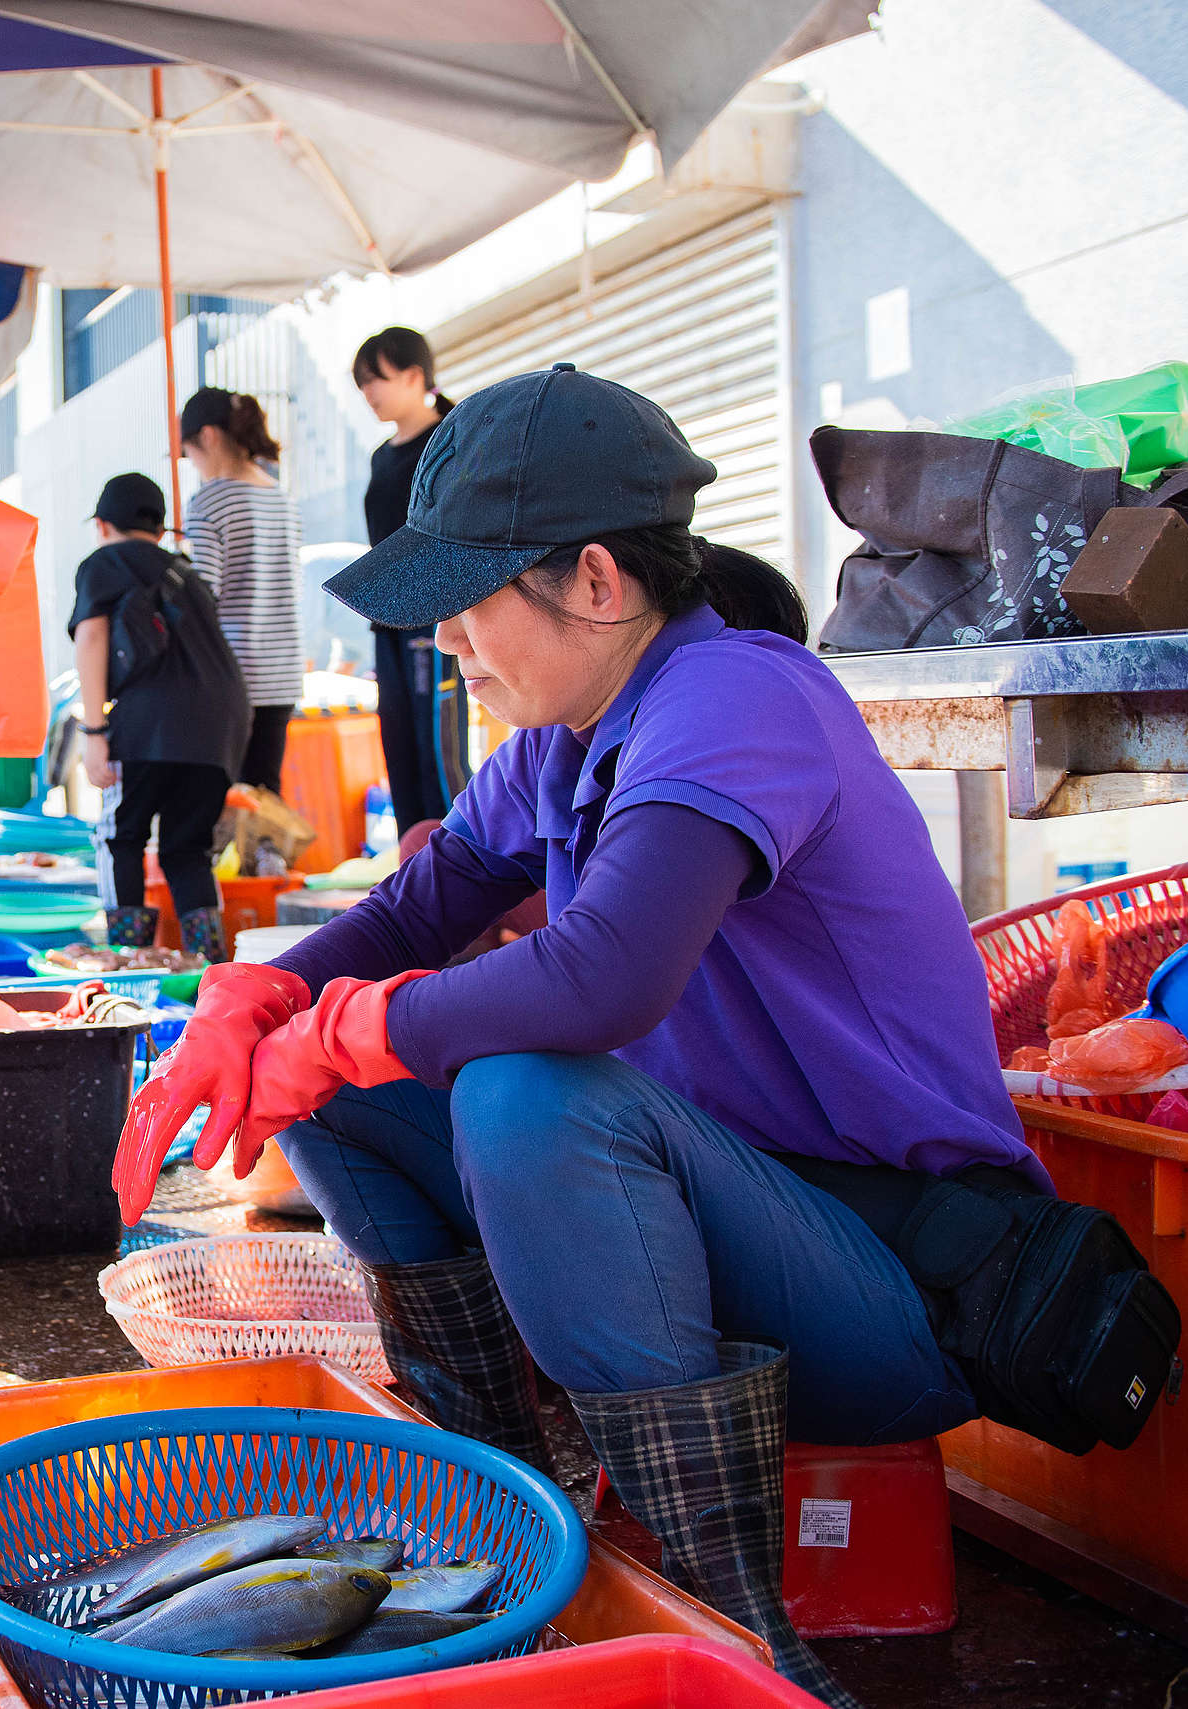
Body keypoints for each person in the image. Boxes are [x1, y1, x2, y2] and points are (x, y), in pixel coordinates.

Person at [113, 365, 1044, 1708]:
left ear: (597, 582)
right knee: (331, 1069)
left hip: (906, 1277)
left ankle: (731, 1630)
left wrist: (354, 1027)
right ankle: (496, 1507)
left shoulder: (737, 697)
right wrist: (258, 1003)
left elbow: (602, 980)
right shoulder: (564, 736)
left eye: (467, 608)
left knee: (524, 1097)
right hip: (732, 1223)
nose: (449, 646)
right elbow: (417, 906)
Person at [70, 473, 250, 961]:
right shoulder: (188, 573)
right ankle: (210, 973)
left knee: (119, 837)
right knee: (187, 850)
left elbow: (92, 639)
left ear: (104, 524)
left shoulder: (103, 562)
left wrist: (94, 731)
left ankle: (127, 966)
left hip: (147, 726)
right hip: (221, 728)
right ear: (158, 526)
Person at [353, 327, 455, 835]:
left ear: (416, 376)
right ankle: (414, 871)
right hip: (385, 618)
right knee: (398, 750)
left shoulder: (449, 439)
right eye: (362, 383)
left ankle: (460, 869)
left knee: (436, 750)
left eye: (378, 379)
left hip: (435, 618)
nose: (369, 392)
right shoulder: (380, 455)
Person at [179, 387, 303, 793]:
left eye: (189, 452)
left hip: (232, 675)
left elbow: (203, 595)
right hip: (282, 674)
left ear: (209, 437)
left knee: (224, 800)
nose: (193, 465)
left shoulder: (209, 501)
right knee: (265, 797)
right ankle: (269, 860)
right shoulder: (282, 498)